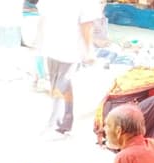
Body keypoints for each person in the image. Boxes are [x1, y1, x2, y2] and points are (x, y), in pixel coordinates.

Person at [35, 0, 103, 135]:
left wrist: (89, 49)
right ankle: (64, 122)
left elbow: (86, 24)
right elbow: (43, 17)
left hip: (64, 47)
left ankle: (56, 124)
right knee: (59, 84)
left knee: (61, 83)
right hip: (59, 46)